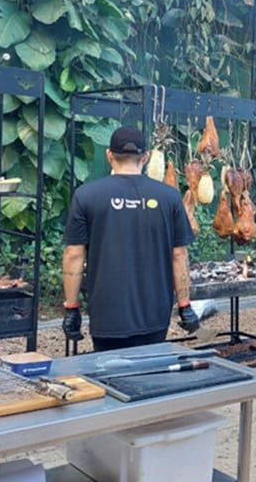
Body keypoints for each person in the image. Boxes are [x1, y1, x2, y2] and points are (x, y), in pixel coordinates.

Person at [62, 126, 199, 351]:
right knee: (148, 374)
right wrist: (185, 305)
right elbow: (179, 255)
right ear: (145, 157)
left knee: (110, 377)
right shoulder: (170, 197)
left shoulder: (86, 195)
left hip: (107, 314)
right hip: (155, 313)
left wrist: (71, 308)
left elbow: (74, 254)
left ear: (109, 155)